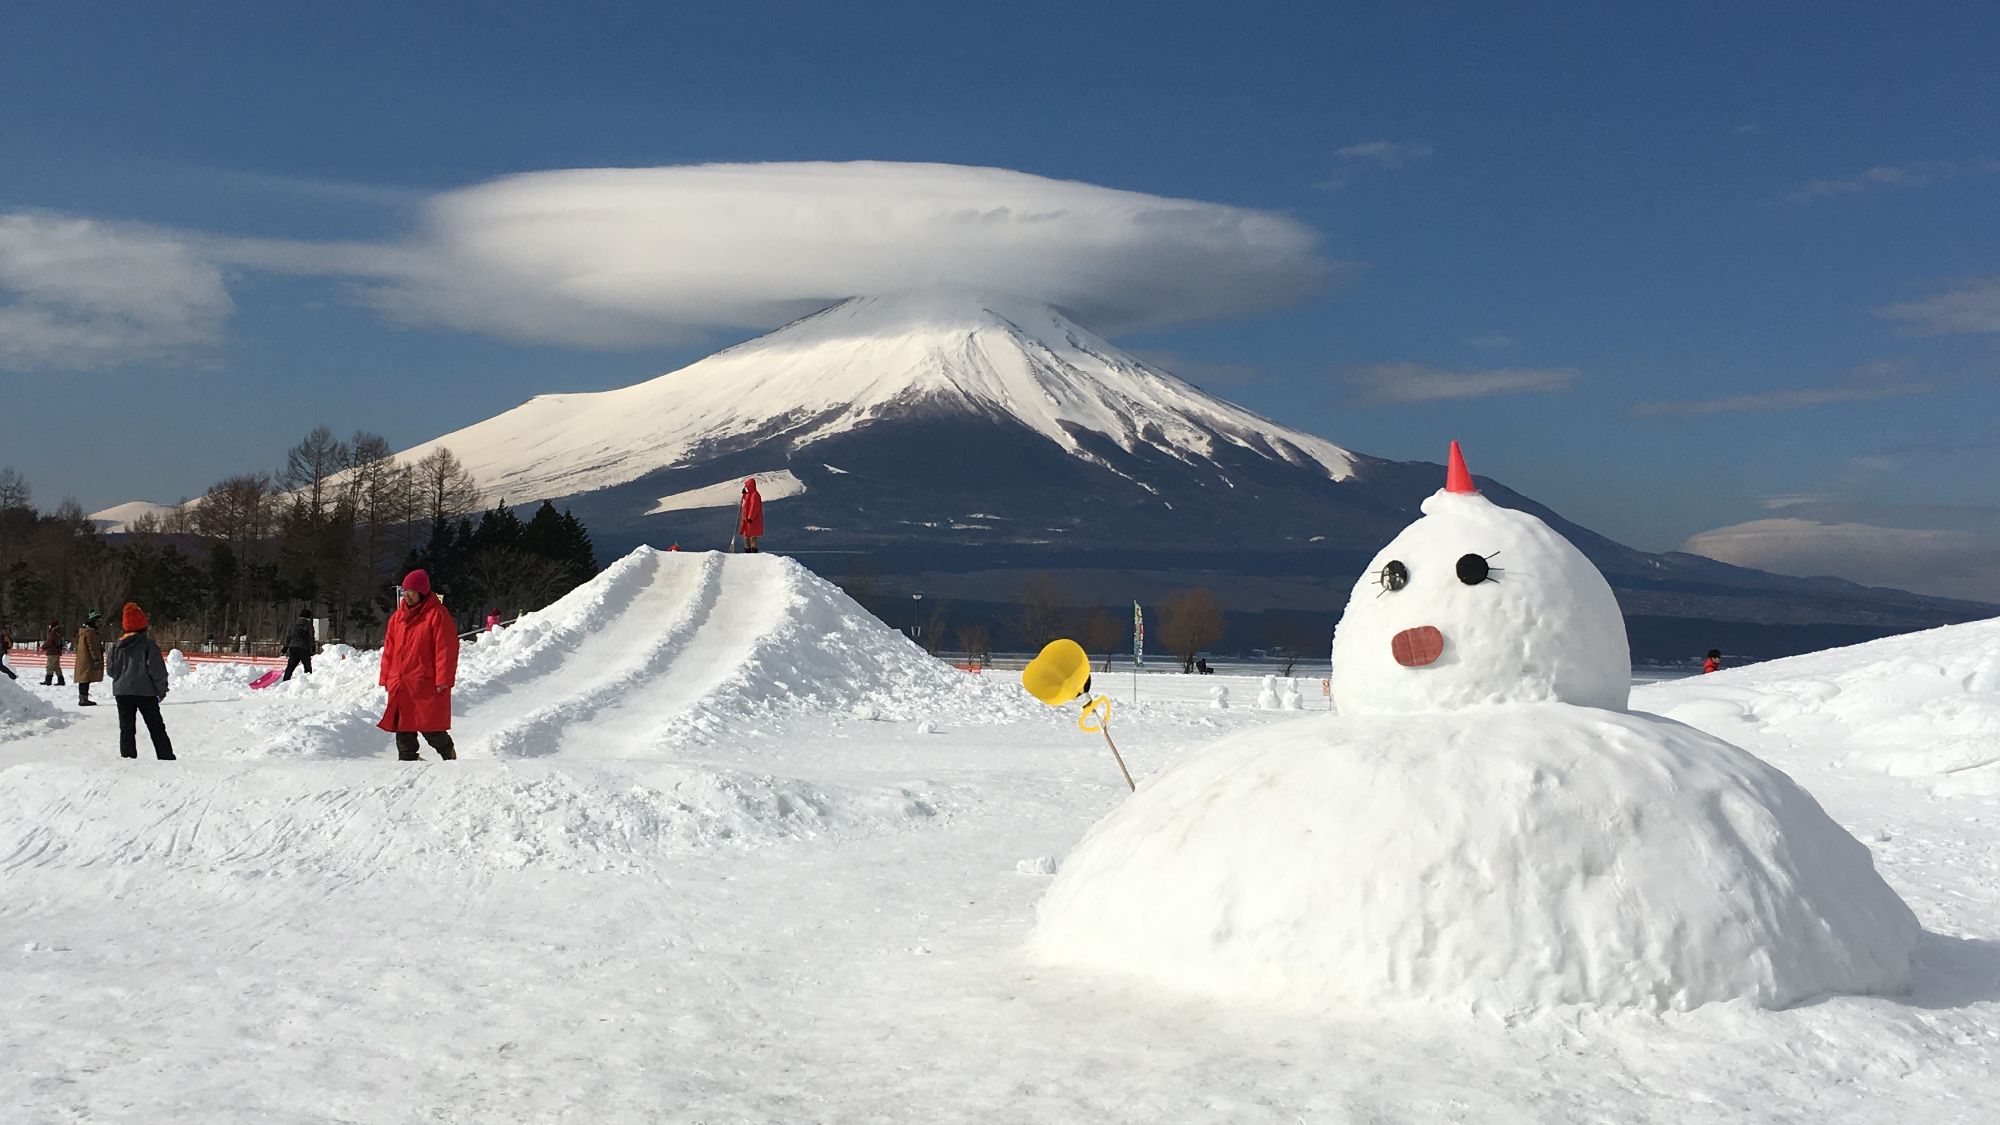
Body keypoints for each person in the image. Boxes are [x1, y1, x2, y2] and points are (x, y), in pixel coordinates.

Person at [379, 569, 461, 761]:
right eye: (405, 590)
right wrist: (386, 677)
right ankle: (407, 760)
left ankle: (448, 754)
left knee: (429, 726)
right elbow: (389, 650)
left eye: (412, 591)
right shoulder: (397, 618)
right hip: (400, 681)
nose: (407, 595)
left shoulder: (437, 614)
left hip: (425, 680)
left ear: (422, 592)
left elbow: (446, 649)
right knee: (403, 725)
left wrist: (444, 678)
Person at [107, 602, 175, 760]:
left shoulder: (116, 646)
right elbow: (157, 671)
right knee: (156, 727)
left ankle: (128, 757)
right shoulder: (148, 645)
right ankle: (165, 757)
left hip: (122, 692)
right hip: (146, 692)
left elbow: (111, 671)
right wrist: (161, 690)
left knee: (126, 728)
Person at [74, 610, 104, 706]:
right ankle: (83, 699)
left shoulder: (83, 632)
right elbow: (93, 647)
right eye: (98, 621)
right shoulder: (90, 633)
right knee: (85, 679)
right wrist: (96, 659)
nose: (99, 624)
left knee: (84, 679)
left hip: (83, 659)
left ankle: (83, 697)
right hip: (88, 660)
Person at [282, 608, 316, 681]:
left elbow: (289, 636)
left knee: (290, 667)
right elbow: (311, 637)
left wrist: (285, 648)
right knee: (307, 667)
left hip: (293, 648)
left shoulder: (294, 624)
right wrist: (313, 648)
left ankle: (285, 682)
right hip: (304, 648)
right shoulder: (309, 625)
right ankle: (308, 682)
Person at [738, 477, 764, 553]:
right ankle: (747, 549)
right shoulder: (749, 494)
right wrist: (744, 494)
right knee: (746, 535)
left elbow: (754, 507)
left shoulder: (755, 495)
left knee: (752, 535)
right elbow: (747, 503)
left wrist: (750, 517)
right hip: (747, 519)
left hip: (752, 520)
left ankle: (753, 550)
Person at [41, 619, 65, 686]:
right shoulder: (58, 632)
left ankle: (48, 681)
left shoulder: (52, 633)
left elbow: (49, 642)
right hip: (57, 652)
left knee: (50, 666)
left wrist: (43, 647)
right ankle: (61, 681)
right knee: (57, 667)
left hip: (52, 652)